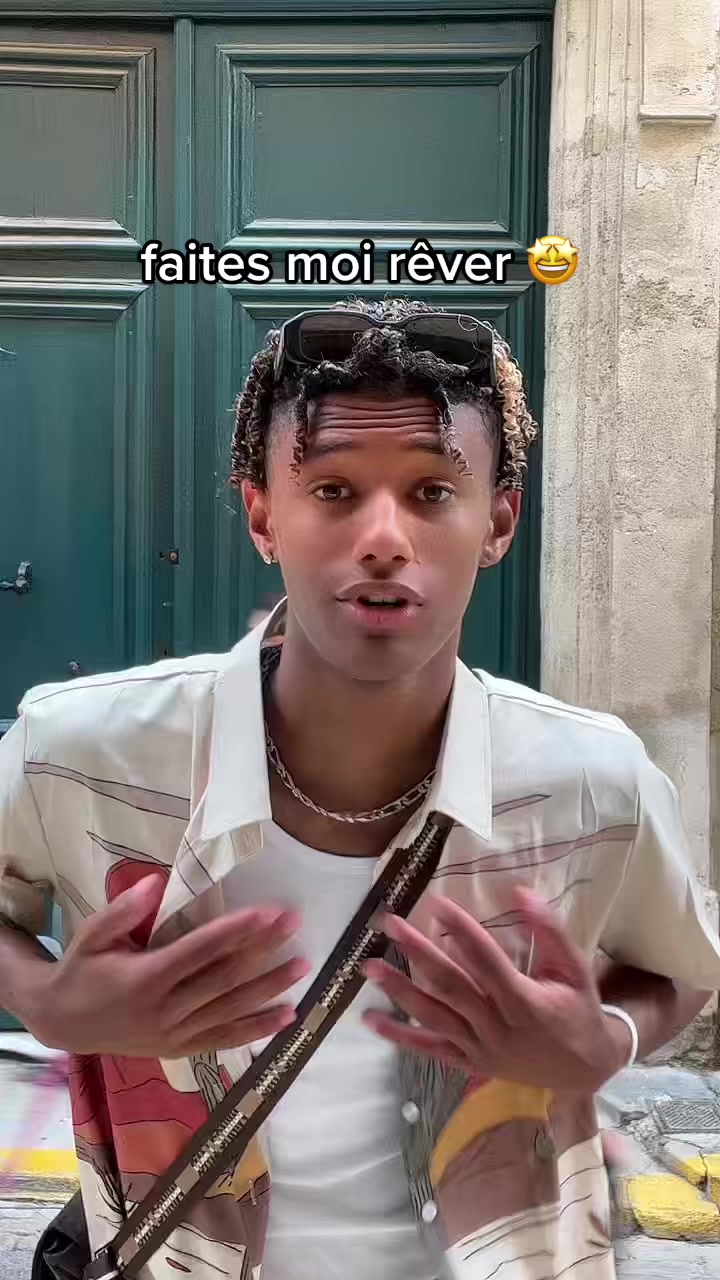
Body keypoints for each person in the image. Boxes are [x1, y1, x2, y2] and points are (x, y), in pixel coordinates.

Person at [1, 297, 719, 1280]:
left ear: (498, 520)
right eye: (334, 490)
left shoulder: (593, 780)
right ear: (263, 513)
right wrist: (46, 998)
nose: (383, 538)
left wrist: (607, 1037)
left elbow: (680, 968)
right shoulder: (84, 752)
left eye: (432, 491)